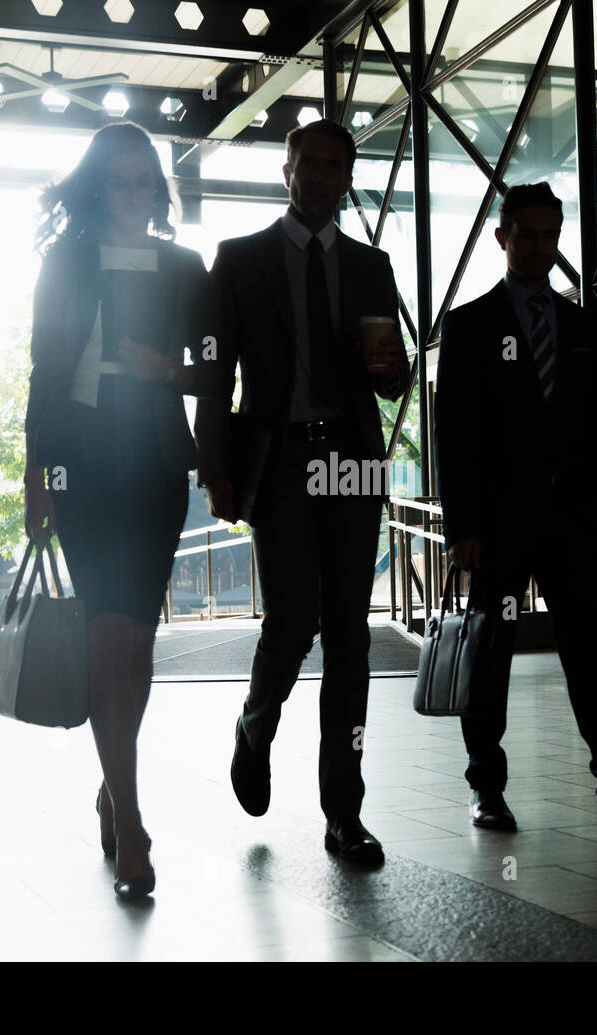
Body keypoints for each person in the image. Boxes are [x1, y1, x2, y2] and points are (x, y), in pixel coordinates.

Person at [434, 182, 597, 843]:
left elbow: (594, 421)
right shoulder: (470, 323)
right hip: (497, 523)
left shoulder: (576, 324)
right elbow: (451, 432)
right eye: (528, 234)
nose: (540, 246)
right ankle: (486, 786)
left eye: (550, 234)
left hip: (570, 520)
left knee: (588, 655)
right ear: (502, 237)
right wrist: (462, 527)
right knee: (491, 655)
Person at [194, 119, 409, 866]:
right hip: (281, 461)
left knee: (350, 635)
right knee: (292, 623)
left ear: (349, 178)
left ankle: (343, 813)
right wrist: (214, 467)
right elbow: (215, 373)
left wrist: (389, 369)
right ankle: (256, 725)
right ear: (286, 170)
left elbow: (397, 375)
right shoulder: (240, 260)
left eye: (334, 166)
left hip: (351, 459)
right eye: (307, 163)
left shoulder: (372, 265)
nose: (319, 176)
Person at [23, 121, 220, 901]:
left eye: (147, 182)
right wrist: (35, 470)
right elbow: (41, 366)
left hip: (155, 463)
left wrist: (167, 367)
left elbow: (214, 369)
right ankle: (132, 820)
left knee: (137, 645)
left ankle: (112, 783)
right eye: (121, 182)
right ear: (96, 186)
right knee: (106, 634)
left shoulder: (186, 265)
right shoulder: (63, 260)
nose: (135, 195)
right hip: (82, 461)